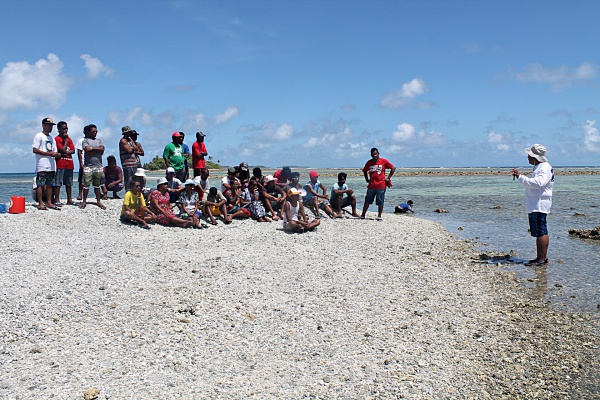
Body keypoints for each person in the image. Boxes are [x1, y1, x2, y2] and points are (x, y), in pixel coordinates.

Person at [512, 144, 554, 267]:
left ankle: (542, 259)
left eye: (529, 156)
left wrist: (521, 177)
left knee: (541, 231)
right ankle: (540, 257)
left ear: (535, 157)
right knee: (539, 231)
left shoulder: (544, 167)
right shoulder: (541, 167)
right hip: (537, 203)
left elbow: (539, 183)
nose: (528, 158)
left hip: (539, 204)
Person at [32, 117, 60, 210]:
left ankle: (48, 202)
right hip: (42, 164)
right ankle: (40, 203)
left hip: (51, 164)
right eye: (48, 125)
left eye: (51, 126)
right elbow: (35, 149)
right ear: (43, 125)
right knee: (40, 184)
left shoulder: (52, 138)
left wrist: (57, 154)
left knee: (50, 184)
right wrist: (48, 154)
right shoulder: (39, 136)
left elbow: (55, 150)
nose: (50, 127)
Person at [360, 147, 395, 221]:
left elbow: (393, 168)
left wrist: (388, 178)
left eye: (375, 154)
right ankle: (363, 215)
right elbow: (364, 170)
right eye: (373, 154)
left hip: (381, 185)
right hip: (372, 185)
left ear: (378, 154)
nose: (374, 156)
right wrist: (367, 179)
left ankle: (379, 216)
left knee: (380, 201)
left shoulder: (383, 161)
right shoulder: (369, 162)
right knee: (367, 200)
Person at [80, 124, 107, 209]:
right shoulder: (85, 141)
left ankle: (98, 201)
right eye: (93, 131)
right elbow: (87, 150)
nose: (95, 133)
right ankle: (84, 201)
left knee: (97, 185)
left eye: (96, 131)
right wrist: (96, 150)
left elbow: (102, 150)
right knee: (86, 185)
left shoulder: (99, 140)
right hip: (88, 166)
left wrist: (92, 149)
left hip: (98, 166)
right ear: (88, 132)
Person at [54, 121, 76, 205]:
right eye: (63, 128)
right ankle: (57, 200)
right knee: (58, 183)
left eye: (66, 128)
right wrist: (66, 140)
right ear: (59, 129)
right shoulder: (57, 139)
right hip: (60, 163)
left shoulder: (69, 139)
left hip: (69, 163)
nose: (65, 130)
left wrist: (66, 151)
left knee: (69, 183)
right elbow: (62, 150)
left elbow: (73, 150)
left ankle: (69, 199)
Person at [75, 134, 85, 201]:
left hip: (92, 163)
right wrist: (81, 162)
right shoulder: (81, 140)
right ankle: (80, 194)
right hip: (84, 162)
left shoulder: (94, 141)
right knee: (82, 179)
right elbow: (79, 152)